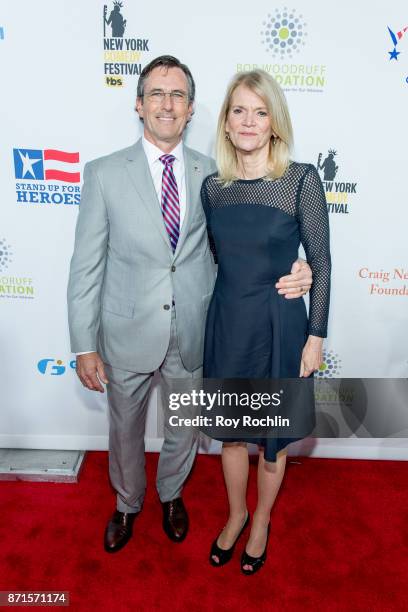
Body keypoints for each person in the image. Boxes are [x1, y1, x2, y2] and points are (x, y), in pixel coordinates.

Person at [67, 56, 313, 554]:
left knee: (183, 427)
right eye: (156, 94)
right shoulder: (103, 173)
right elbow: (85, 266)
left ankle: (172, 495)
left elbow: (237, 251)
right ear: (139, 105)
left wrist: (299, 267)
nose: (166, 104)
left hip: (199, 330)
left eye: (177, 95)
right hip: (126, 330)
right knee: (124, 430)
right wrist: (82, 344)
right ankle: (127, 502)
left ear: (192, 109)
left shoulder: (214, 175)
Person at [201, 69, 331, 574]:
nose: (249, 120)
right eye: (239, 110)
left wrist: (315, 333)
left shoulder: (300, 179)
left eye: (260, 111)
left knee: (271, 438)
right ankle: (235, 516)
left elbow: (320, 262)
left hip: (280, 324)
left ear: (274, 122)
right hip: (229, 322)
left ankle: (261, 522)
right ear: (227, 124)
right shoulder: (214, 189)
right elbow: (217, 257)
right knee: (231, 434)